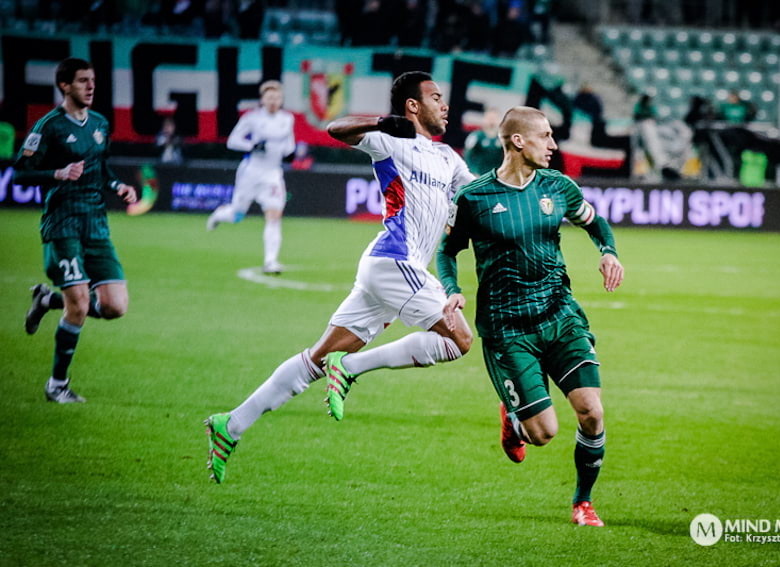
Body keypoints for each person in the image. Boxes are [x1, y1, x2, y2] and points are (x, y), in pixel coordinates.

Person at [205, 71, 475, 483]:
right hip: (394, 261)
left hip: (393, 272)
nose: (445, 105)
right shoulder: (390, 141)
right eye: (436, 97)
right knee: (460, 339)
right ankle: (350, 367)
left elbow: (478, 193)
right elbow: (335, 129)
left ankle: (232, 424)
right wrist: (381, 122)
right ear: (413, 106)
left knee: (314, 361)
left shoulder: (447, 159)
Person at [436, 106, 624, 527]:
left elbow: (595, 224)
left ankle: (582, 502)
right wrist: (453, 291)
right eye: (546, 136)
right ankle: (515, 419)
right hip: (507, 330)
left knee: (592, 412)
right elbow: (447, 251)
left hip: (560, 315)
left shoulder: (558, 187)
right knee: (543, 434)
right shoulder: (474, 198)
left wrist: (608, 251)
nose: (554, 145)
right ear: (518, 141)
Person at [15, 57, 138, 403]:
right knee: (81, 305)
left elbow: (102, 168)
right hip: (63, 224)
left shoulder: (99, 122)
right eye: (83, 80)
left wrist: (118, 186)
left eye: (93, 80)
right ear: (65, 86)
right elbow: (21, 171)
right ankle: (57, 385)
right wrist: (57, 173)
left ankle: (48, 300)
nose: (90, 86)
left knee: (115, 306)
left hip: (96, 225)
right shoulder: (48, 126)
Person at [207, 80, 295, 275]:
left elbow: (289, 143)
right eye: (270, 97)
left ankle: (270, 261)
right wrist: (251, 145)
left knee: (274, 215)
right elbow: (233, 141)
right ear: (262, 99)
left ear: (281, 100)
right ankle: (220, 214)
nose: (273, 101)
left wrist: (291, 151)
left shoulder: (287, 119)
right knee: (237, 215)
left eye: (277, 97)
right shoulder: (252, 118)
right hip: (251, 171)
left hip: (272, 173)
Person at [464, 107, 503, 176]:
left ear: (500, 120)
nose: (491, 121)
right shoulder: (475, 136)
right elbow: (468, 156)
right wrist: (472, 171)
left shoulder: (503, 139)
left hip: (496, 177)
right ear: (484, 119)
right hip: (478, 176)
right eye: (489, 118)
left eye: (494, 118)